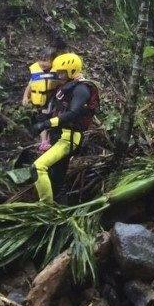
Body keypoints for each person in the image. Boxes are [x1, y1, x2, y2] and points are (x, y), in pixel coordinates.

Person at [30, 53, 99, 203]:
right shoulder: (67, 88)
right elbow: (60, 111)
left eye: (62, 72)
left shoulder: (81, 89)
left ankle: (46, 207)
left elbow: (73, 113)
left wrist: (47, 124)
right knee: (56, 177)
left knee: (38, 167)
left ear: (72, 71)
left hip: (68, 138)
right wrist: (43, 119)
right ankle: (61, 208)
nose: (59, 75)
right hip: (59, 136)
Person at [22, 47, 61, 152]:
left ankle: (49, 139)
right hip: (39, 101)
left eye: (46, 60)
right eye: (40, 60)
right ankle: (44, 142)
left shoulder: (57, 71)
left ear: (53, 61)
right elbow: (30, 85)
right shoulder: (36, 72)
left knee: (52, 119)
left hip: (52, 100)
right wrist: (26, 96)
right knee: (42, 119)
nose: (42, 63)